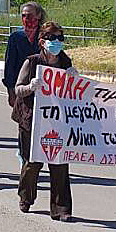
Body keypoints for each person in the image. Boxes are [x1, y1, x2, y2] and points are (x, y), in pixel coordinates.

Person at [13, 21, 77, 221]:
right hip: (31, 120)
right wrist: (31, 87)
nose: (56, 42)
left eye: (60, 38)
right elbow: (18, 89)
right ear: (42, 41)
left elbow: (77, 95)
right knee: (32, 163)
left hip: (57, 121)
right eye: (52, 38)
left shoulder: (66, 63)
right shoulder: (32, 63)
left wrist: (75, 81)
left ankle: (61, 208)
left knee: (59, 163)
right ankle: (26, 196)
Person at [3, 1, 45, 107]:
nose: (26, 18)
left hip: (44, 89)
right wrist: (10, 91)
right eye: (23, 15)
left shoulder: (45, 36)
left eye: (30, 15)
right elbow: (10, 65)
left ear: (38, 15)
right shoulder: (15, 37)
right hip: (22, 88)